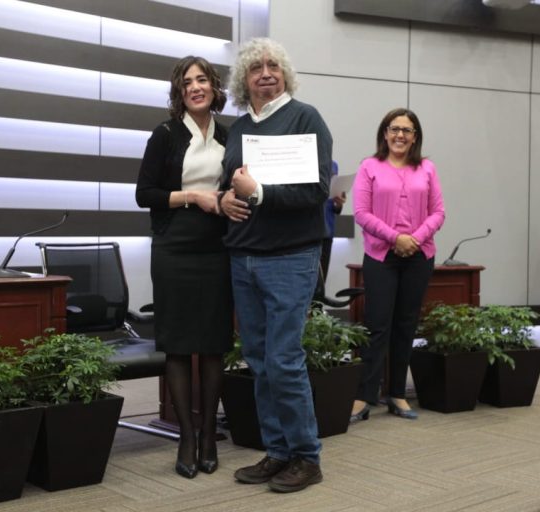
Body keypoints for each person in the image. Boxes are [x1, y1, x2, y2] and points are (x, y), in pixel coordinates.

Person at [218, 37, 331, 493]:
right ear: (244, 81)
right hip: (243, 257)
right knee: (259, 361)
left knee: (284, 360)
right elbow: (231, 183)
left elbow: (315, 191)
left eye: (273, 66)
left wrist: (258, 193)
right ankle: (278, 451)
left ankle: (307, 456)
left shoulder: (306, 118)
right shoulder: (240, 127)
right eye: (255, 68)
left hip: (289, 258)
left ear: (284, 74)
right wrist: (227, 198)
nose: (265, 73)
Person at [135, 56, 232, 479]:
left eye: (203, 79)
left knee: (212, 344)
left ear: (214, 86)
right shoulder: (166, 134)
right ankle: (187, 437)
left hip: (218, 246)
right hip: (174, 246)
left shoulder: (230, 135)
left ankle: (210, 434)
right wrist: (192, 196)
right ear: (179, 91)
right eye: (187, 81)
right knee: (177, 344)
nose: (196, 87)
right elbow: (145, 194)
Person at [349, 108, 445, 423]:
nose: (400, 135)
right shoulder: (369, 166)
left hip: (419, 255)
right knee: (378, 326)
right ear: (385, 133)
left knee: (405, 326)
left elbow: (438, 213)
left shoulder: (427, 168)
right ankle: (365, 395)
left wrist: (414, 239)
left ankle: (397, 394)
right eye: (394, 129)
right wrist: (396, 238)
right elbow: (361, 212)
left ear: (415, 136)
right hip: (381, 256)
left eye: (407, 130)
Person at [321, 161, 346, 281]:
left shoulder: (333, 165)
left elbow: (336, 208)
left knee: (322, 278)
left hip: (327, 231)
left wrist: (339, 203)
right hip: (306, 233)